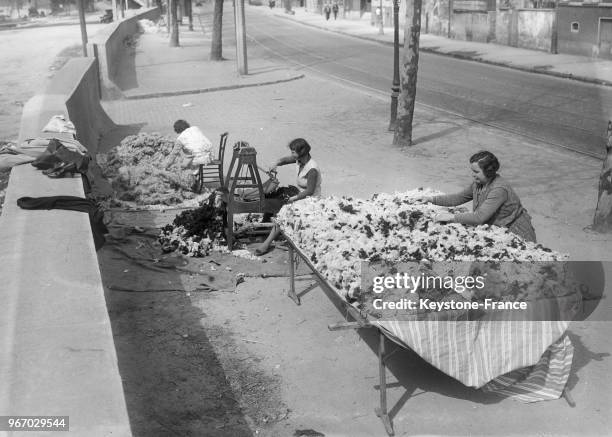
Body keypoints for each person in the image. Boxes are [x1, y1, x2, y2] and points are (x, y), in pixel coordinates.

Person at [422, 150, 537, 242]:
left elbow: (479, 217)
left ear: (488, 171)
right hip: (498, 228)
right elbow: (458, 197)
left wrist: (451, 217)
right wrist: (431, 199)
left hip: (514, 229)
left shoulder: (498, 190)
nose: (473, 175)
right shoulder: (478, 184)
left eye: (476, 172)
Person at [254, 138, 322, 255]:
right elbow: (286, 160)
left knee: (284, 211)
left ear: (302, 152)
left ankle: (267, 243)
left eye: (293, 152)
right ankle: (263, 230)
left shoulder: (312, 169)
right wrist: (276, 163)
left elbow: (310, 191)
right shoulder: (300, 160)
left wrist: (292, 199)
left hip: (309, 200)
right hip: (299, 193)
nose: (292, 154)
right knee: (274, 195)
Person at [173, 120, 214, 188]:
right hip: (210, 155)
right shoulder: (195, 128)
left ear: (177, 130)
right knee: (191, 159)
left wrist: (165, 166)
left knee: (184, 166)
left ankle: (192, 183)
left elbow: (173, 154)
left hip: (200, 159)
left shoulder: (180, 139)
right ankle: (196, 179)